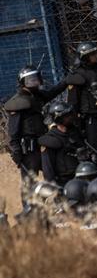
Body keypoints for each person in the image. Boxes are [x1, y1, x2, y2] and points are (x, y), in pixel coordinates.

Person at [5, 66, 69, 199]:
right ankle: (29, 213)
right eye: (30, 80)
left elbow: (52, 92)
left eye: (35, 79)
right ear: (22, 82)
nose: (34, 82)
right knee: (29, 182)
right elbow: (13, 131)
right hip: (28, 150)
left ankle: (60, 204)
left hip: (42, 144)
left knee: (55, 173)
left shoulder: (36, 96)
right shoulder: (19, 102)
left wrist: (67, 81)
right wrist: (16, 150)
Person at [66, 41, 97, 158]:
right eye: (92, 54)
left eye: (96, 53)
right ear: (85, 57)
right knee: (94, 153)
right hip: (91, 118)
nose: (96, 56)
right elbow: (73, 102)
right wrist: (76, 123)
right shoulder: (78, 75)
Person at [39, 102, 86, 186]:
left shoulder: (75, 133)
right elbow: (48, 169)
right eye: (67, 116)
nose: (71, 117)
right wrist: (54, 188)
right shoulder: (51, 140)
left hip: (82, 176)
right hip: (63, 182)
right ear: (59, 119)